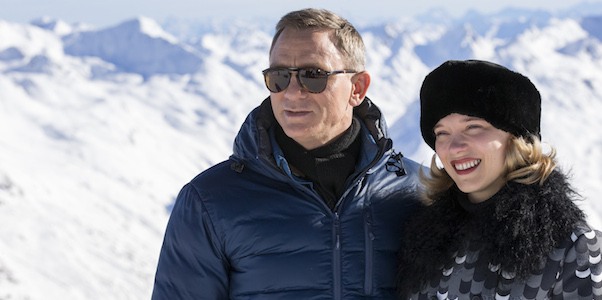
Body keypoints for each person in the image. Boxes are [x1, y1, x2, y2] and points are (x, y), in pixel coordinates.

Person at [152, 8, 422, 299]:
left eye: (313, 75)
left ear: (357, 88)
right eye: (279, 76)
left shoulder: (422, 191)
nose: (292, 93)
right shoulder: (209, 201)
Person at [396, 60, 602, 300]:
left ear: (517, 139)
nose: (455, 147)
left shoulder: (572, 246)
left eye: (473, 127)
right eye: (442, 133)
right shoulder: (422, 239)